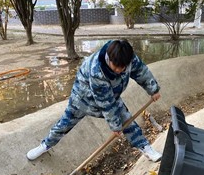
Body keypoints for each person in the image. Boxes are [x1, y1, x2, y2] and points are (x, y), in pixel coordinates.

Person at [27, 39, 162, 162]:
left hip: (111, 96)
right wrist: (114, 126)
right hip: (82, 99)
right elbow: (106, 103)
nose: (119, 70)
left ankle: (145, 147)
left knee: (127, 121)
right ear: (109, 58)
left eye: (123, 67)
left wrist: (153, 89)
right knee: (64, 124)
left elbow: (141, 72)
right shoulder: (96, 71)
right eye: (116, 66)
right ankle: (45, 145)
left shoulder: (127, 57)